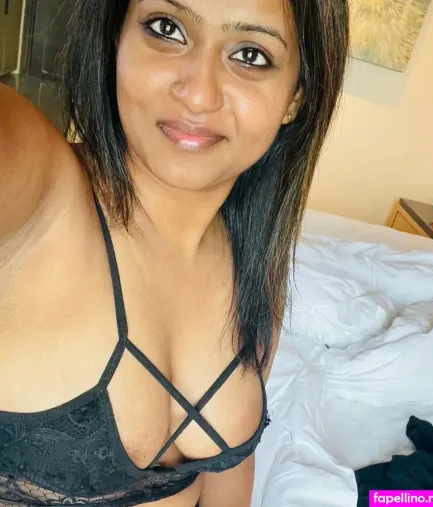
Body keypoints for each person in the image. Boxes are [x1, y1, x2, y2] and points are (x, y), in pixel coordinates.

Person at [0, 0, 349, 505]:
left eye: (251, 55)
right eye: (167, 28)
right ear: (117, 39)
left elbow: (228, 477)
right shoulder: (40, 201)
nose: (198, 94)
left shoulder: (254, 273)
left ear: (295, 98)